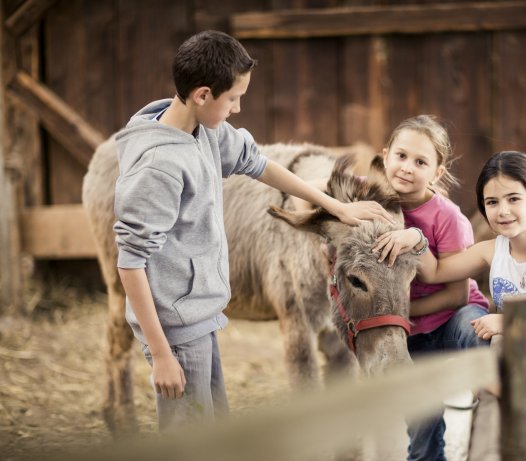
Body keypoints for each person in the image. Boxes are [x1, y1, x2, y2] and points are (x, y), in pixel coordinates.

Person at [112, 30, 393, 433]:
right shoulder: (158, 168)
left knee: (211, 433)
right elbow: (131, 262)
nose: (239, 108)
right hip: (173, 327)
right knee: (187, 448)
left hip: (201, 315)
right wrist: (160, 355)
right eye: (234, 99)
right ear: (203, 95)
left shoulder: (202, 129)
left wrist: (333, 206)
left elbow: (256, 162)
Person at [364, 115, 489, 461]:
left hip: (451, 317)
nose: (407, 168)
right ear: (385, 156)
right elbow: (322, 186)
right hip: (411, 338)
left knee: (475, 328)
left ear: (437, 172)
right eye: (401, 155)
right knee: (421, 442)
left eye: (421, 162)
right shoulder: (368, 200)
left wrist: (399, 316)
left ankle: (500, 370)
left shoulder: (447, 218)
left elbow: (456, 293)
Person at [376, 150, 526, 340]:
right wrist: (416, 237)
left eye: (513, 199)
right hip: (515, 356)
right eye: (492, 202)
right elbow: (435, 272)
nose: (503, 211)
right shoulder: (490, 251)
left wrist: (507, 321)